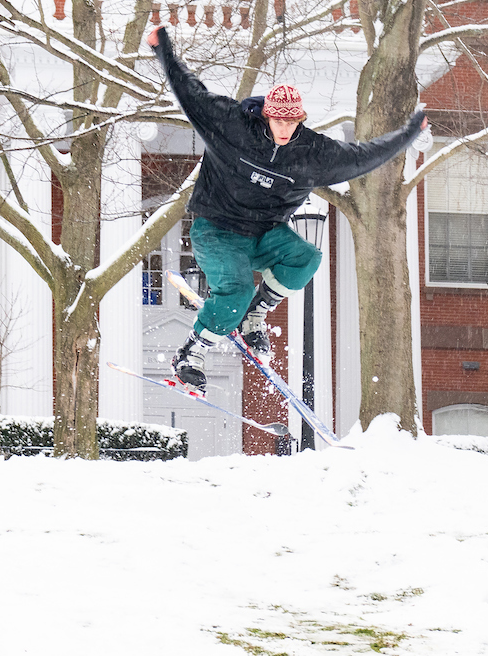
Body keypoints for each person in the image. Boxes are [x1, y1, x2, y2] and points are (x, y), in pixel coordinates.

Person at [148, 25, 429, 393]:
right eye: (277, 120)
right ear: (266, 115)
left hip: (265, 235)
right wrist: (164, 49)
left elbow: (365, 157)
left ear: (300, 119)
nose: (284, 128)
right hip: (217, 230)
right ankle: (191, 353)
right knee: (233, 294)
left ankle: (256, 313)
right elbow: (191, 93)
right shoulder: (232, 126)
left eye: (291, 122)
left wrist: (407, 134)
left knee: (306, 258)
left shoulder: (314, 154)